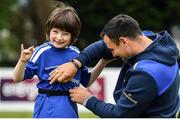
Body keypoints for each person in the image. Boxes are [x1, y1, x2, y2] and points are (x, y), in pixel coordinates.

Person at [49, 14, 180, 118]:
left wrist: (87, 99)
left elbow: (119, 115)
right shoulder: (148, 39)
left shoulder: (145, 74)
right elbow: (102, 46)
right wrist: (76, 63)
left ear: (123, 41)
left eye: (112, 49)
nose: (112, 53)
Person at [12, 2, 110, 118]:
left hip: (69, 109)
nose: (59, 37)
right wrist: (22, 61)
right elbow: (16, 78)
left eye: (65, 34)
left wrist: (103, 62)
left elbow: (86, 81)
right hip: (45, 109)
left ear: (73, 37)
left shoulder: (76, 54)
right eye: (55, 31)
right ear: (49, 30)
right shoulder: (41, 52)